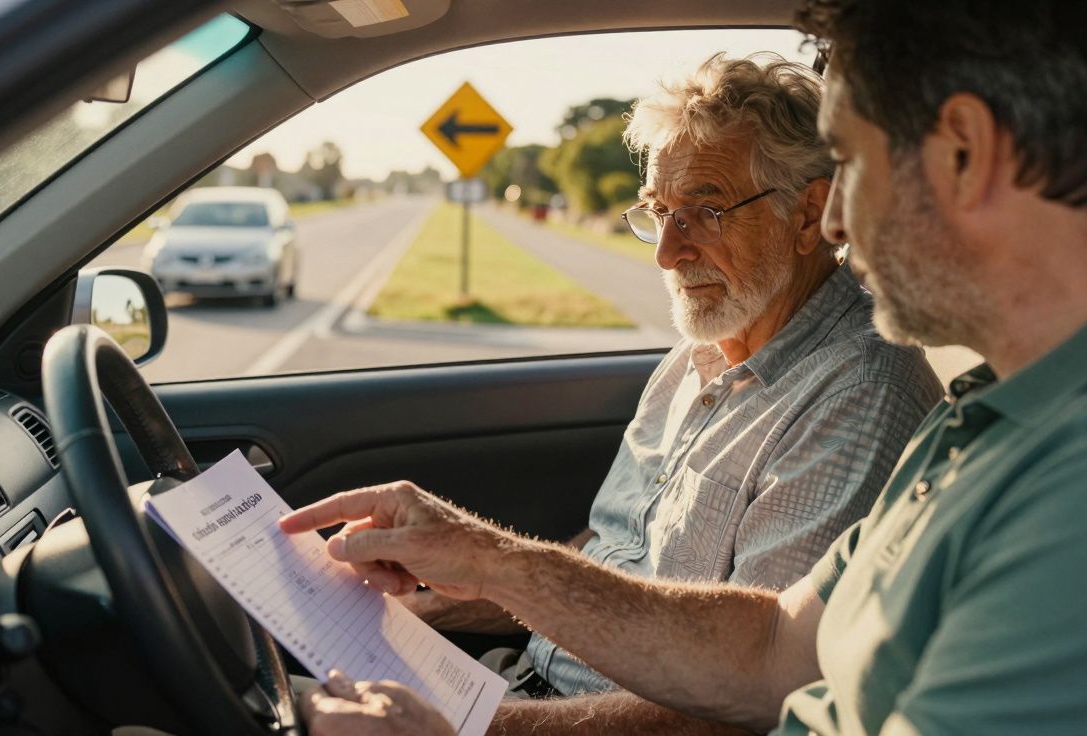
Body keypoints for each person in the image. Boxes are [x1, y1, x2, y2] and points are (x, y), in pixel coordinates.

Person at [285, 1, 1087, 734]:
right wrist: (489, 563)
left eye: (856, 166)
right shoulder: (991, 416)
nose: (835, 226)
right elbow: (771, 654)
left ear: (962, 150)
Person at [401, 51, 940, 709]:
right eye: (658, 211)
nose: (666, 250)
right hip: (522, 685)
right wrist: (432, 609)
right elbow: (613, 555)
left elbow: (750, 697)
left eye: (704, 212)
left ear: (808, 215)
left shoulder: (857, 393)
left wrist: (473, 726)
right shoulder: (700, 347)